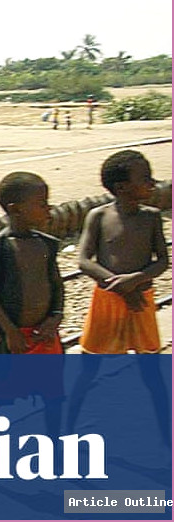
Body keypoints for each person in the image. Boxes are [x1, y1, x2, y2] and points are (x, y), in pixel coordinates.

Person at [67, 150, 169, 442]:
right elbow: (84, 260)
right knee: (88, 369)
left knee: (152, 372)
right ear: (122, 187)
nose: (153, 183)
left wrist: (136, 279)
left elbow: (162, 261)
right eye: (145, 179)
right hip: (109, 301)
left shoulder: (151, 218)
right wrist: (119, 285)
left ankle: (166, 436)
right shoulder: (98, 216)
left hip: (141, 300)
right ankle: (67, 431)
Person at [0, 172, 64, 432]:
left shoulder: (47, 245)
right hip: (8, 338)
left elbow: (57, 285)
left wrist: (55, 318)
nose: (48, 209)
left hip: (43, 336)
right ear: (16, 210)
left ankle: (55, 449)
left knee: (53, 397)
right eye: (41, 204)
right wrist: (10, 330)